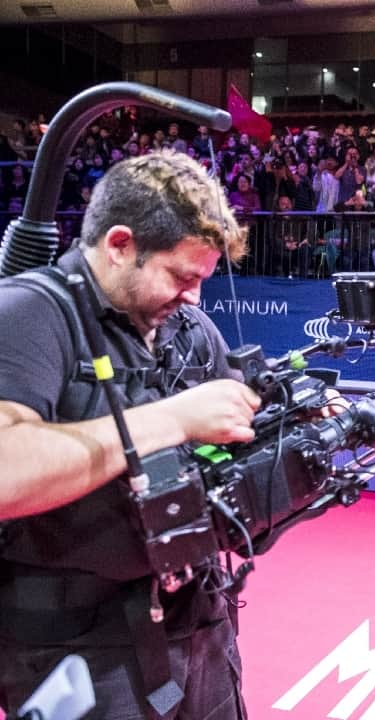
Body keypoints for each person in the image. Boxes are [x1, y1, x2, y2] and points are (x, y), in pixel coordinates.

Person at [0, 151, 261, 718]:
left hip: (199, 622)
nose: (193, 296)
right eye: (181, 275)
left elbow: (243, 410)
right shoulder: (29, 313)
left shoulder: (187, 324)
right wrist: (172, 419)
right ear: (120, 245)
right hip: (75, 653)